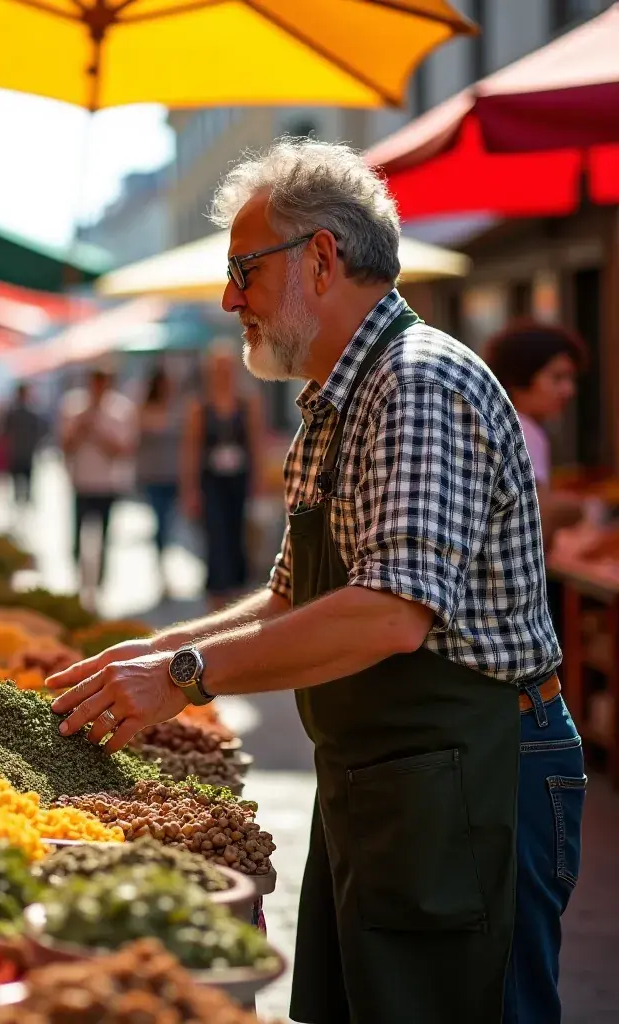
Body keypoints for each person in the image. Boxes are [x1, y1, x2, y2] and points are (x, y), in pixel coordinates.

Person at [49, 139, 582, 1024]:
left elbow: (388, 615)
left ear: (321, 259)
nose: (231, 300)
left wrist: (184, 677)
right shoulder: (338, 399)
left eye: (243, 272)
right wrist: (162, 647)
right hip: (394, 778)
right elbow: (294, 597)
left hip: (476, 779)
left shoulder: (416, 385)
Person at [483, 320, 589, 550]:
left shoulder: (496, 422)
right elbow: (532, 522)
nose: (569, 390)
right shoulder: (523, 432)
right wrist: (576, 509)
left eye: (571, 379)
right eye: (557, 378)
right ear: (520, 377)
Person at [182, 343, 265, 610]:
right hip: (211, 481)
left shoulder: (247, 402)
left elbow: (256, 443)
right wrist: (190, 490)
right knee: (216, 536)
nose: (223, 373)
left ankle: (238, 596)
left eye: (227, 367)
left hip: (238, 479)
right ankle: (216, 597)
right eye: (218, 368)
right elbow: (191, 449)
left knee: (237, 536)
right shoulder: (200, 405)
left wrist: (258, 480)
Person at [59, 367, 137, 594]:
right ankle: (78, 578)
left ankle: (100, 581)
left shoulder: (121, 409)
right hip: (81, 482)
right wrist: (81, 427)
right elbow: (65, 445)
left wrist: (98, 432)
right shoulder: (73, 407)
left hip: (107, 484)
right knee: (77, 536)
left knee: (104, 536)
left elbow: (123, 449)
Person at [136, 364, 182, 594]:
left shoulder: (178, 408)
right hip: (153, 475)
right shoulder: (145, 409)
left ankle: (164, 564)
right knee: (160, 521)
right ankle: (161, 566)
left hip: (173, 475)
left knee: (170, 523)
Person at [3, 382, 46, 505]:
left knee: (20, 480)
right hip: (22, 451)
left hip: (19, 451)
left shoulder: (14, 414)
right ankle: (24, 499)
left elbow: (5, 431)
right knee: (25, 479)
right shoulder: (29, 414)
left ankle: (21, 500)